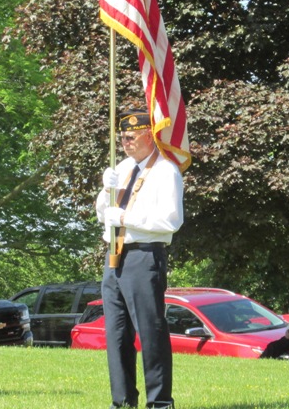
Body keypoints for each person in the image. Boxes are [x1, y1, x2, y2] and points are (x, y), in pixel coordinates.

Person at [96, 109, 184, 409]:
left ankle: (160, 401)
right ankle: (122, 401)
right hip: (114, 254)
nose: (125, 143)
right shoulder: (123, 168)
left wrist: (126, 218)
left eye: (131, 137)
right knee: (117, 333)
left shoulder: (165, 171)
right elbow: (103, 214)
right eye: (122, 137)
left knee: (150, 331)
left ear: (149, 135)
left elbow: (170, 220)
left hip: (144, 255)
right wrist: (106, 190)